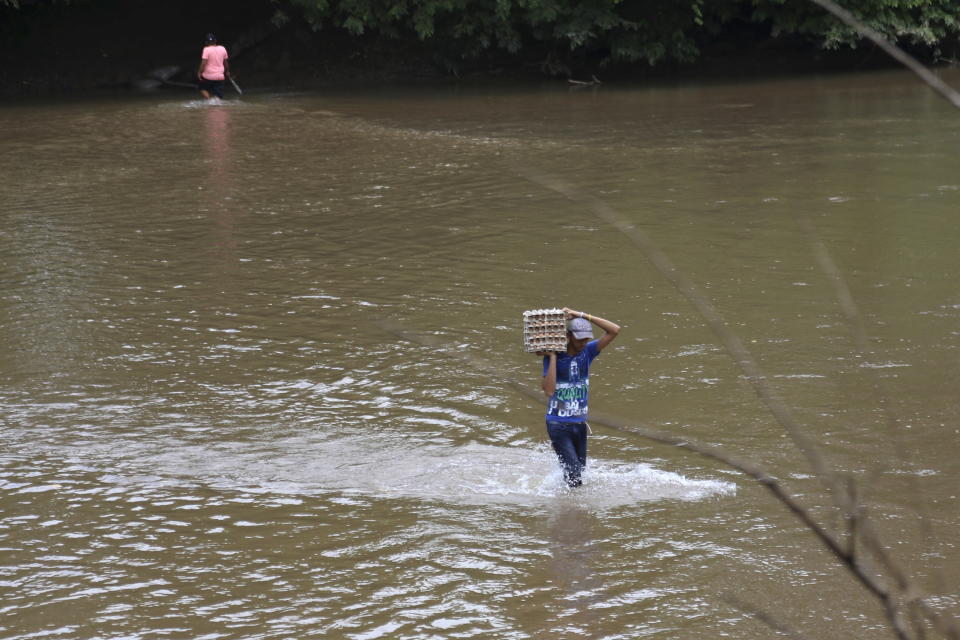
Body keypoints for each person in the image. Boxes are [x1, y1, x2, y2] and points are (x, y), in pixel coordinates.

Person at [540, 307, 620, 488]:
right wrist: (552, 357)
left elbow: (614, 330)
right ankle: (571, 512)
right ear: (568, 337)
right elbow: (548, 391)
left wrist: (581, 315)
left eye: (586, 339)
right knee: (574, 474)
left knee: (578, 471)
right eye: (580, 339)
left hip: (579, 422)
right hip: (558, 423)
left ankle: (567, 505)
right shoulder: (555, 357)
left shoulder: (588, 352)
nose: (584, 342)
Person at [197, 33, 229, 100]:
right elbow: (225, 62)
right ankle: (216, 104)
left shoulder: (206, 49)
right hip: (220, 77)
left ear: (206, 42)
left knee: (202, 88)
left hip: (208, 76)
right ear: (215, 41)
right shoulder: (222, 48)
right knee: (218, 97)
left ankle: (208, 100)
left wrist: (199, 72)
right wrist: (227, 71)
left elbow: (203, 63)